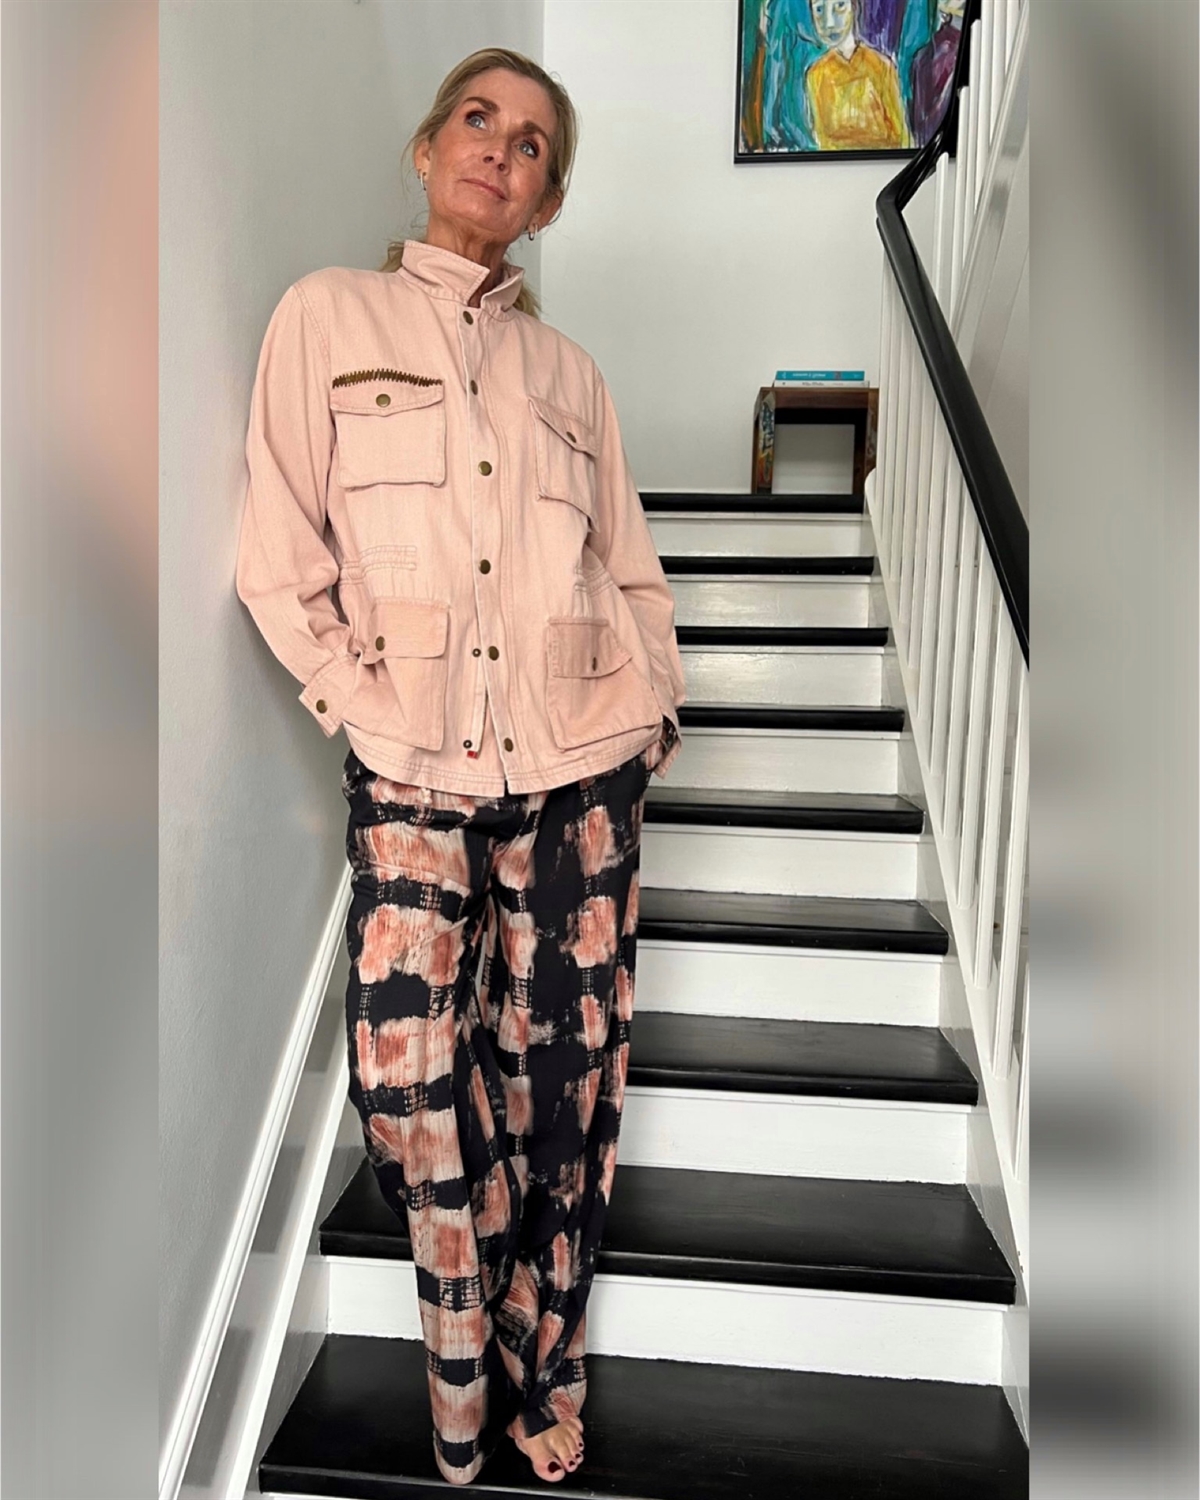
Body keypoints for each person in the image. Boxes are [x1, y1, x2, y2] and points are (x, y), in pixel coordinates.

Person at [234, 47, 686, 1488]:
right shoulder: (328, 315)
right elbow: (276, 553)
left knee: (563, 1092)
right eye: (480, 122)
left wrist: (653, 713)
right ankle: (462, 1346)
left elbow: (632, 571)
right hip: (411, 758)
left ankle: (542, 1366)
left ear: (547, 201)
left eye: (534, 144)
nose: (502, 149)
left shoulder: (572, 376)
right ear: (428, 150)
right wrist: (351, 695)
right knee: (404, 1080)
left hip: (581, 766)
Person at [805, 0, 911, 151]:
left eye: (840, 5)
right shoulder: (816, 75)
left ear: (854, 6)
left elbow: (902, 138)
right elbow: (823, 142)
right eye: (819, 10)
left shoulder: (881, 67)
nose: (829, 23)